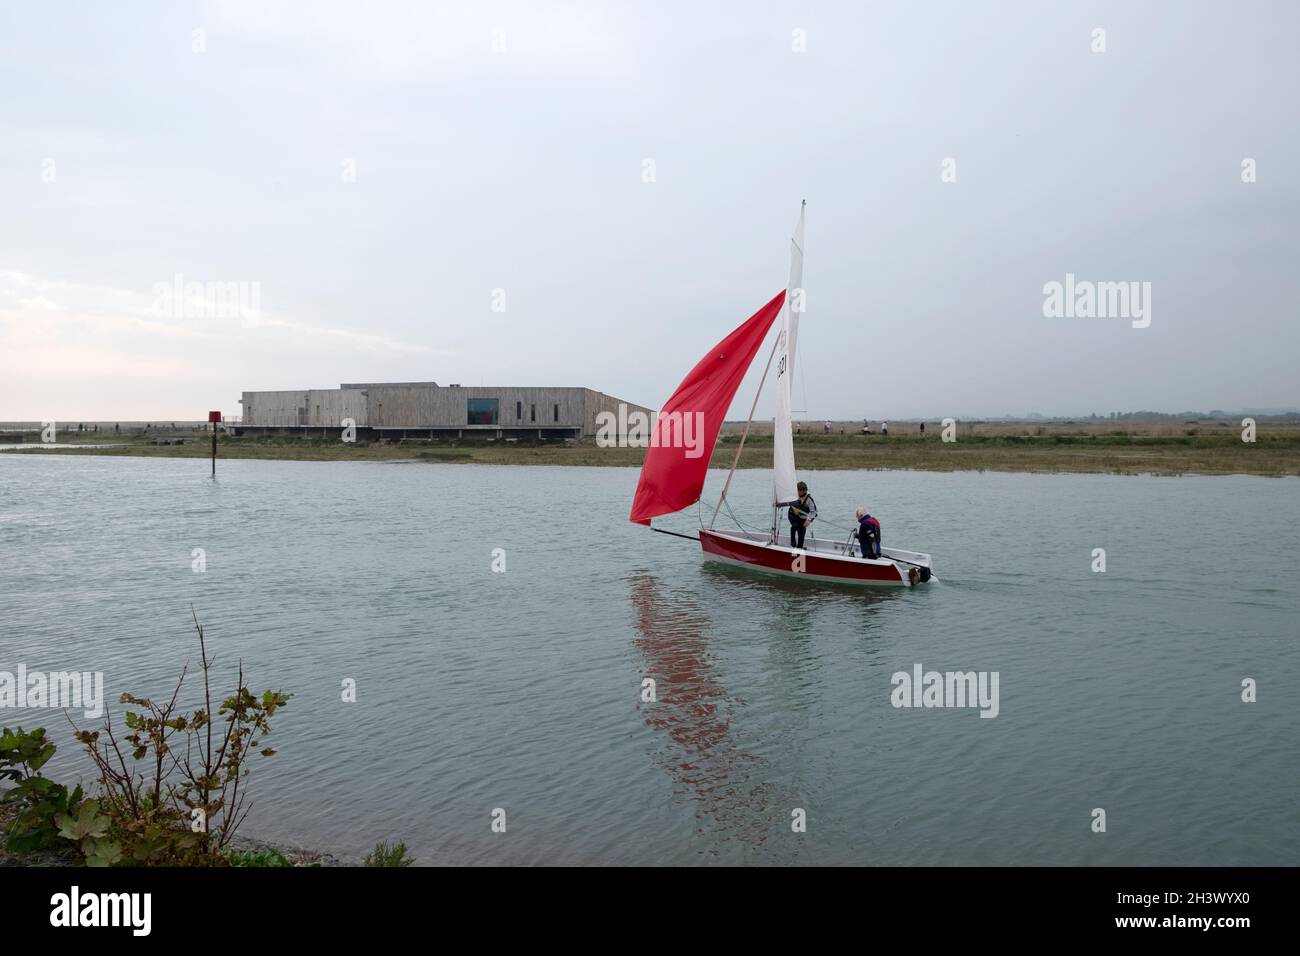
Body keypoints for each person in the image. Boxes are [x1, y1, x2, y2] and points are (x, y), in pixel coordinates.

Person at [788, 481, 817, 549]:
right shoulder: (793, 496)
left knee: (802, 533)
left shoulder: (809, 500)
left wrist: (809, 520)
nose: (800, 493)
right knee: (795, 526)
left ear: (805, 491)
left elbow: (814, 512)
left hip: (802, 518)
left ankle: (799, 548)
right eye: (798, 491)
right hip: (792, 515)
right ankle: (793, 542)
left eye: (802, 491)